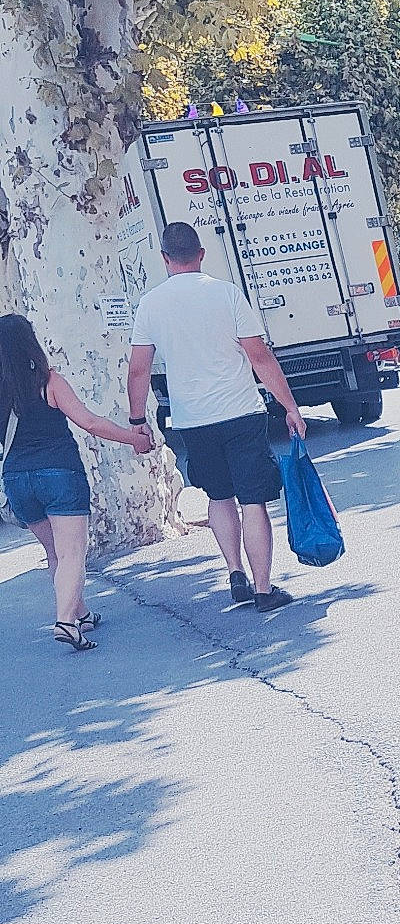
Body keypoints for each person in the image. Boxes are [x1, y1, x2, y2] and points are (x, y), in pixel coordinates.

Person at [127, 221, 304, 612]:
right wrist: (290, 407)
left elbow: (139, 370)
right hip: (241, 413)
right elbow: (260, 357)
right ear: (202, 254)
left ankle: (235, 572)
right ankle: (263, 589)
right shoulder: (227, 293)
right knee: (253, 501)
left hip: (193, 420)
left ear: (165, 258)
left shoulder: (150, 304)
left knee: (218, 496)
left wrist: (138, 421)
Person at [1, 314, 153, 651]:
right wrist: (134, 438)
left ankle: (80, 613)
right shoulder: (49, 382)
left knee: (55, 553)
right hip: (60, 476)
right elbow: (90, 423)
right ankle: (66, 623)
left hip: (17, 480)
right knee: (72, 554)